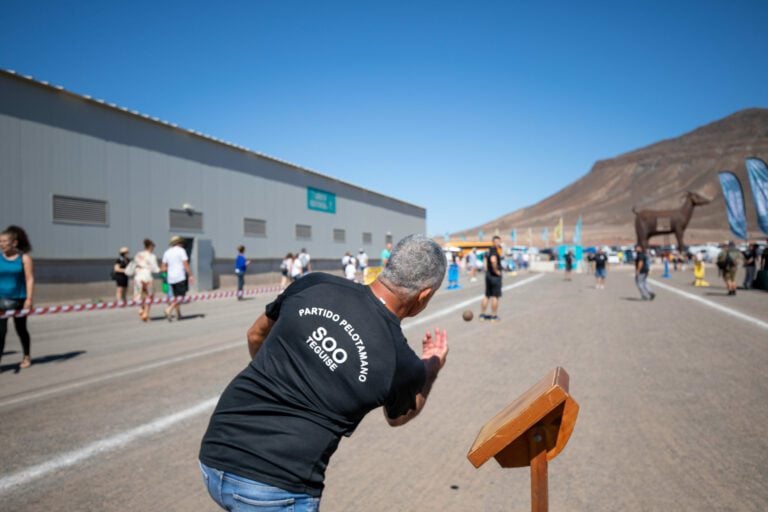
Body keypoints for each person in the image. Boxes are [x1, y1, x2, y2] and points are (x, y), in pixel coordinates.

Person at [198, 234, 448, 511]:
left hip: (215, 453)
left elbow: (256, 334)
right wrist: (432, 366)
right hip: (276, 488)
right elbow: (399, 416)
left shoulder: (315, 283)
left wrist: (290, 371)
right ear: (423, 295)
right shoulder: (401, 362)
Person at [0, 226, 34, 369]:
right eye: (0, 241)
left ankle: (26, 355)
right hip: (1, 299)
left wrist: (29, 299)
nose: (1, 244)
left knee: (21, 329)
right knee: (0, 333)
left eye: (4, 241)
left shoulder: (24, 258)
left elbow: (29, 279)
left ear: (14, 243)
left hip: (19, 299)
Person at [162, 236, 194, 320]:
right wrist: (190, 274)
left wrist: (169, 270)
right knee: (181, 297)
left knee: (176, 297)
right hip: (180, 277)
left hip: (171, 278)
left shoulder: (167, 252)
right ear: (179, 243)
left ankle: (179, 314)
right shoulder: (181, 251)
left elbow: (163, 267)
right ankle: (169, 309)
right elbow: (185, 264)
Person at [133, 239, 160, 322]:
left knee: (141, 295)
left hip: (138, 277)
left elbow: (135, 265)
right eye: (153, 247)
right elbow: (155, 269)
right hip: (147, 277)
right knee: (149, 296)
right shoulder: (152, 256)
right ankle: (146, 313)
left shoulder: (138, 254)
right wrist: (162, 269)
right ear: (150, 247)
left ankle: (141, 309)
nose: (153, 249)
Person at [479, 236, 503, 321]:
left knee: (487, 295)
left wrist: (487, 270)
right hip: (494, 276)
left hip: (488, 275)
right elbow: (493, 260)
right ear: (497, 242)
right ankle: (493, 316)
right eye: (499, 242)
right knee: (495, 296)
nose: (499, 243)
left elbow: (485, 262)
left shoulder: (488, 251)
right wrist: (496, 271)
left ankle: (482, 315)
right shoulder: (494, 251)